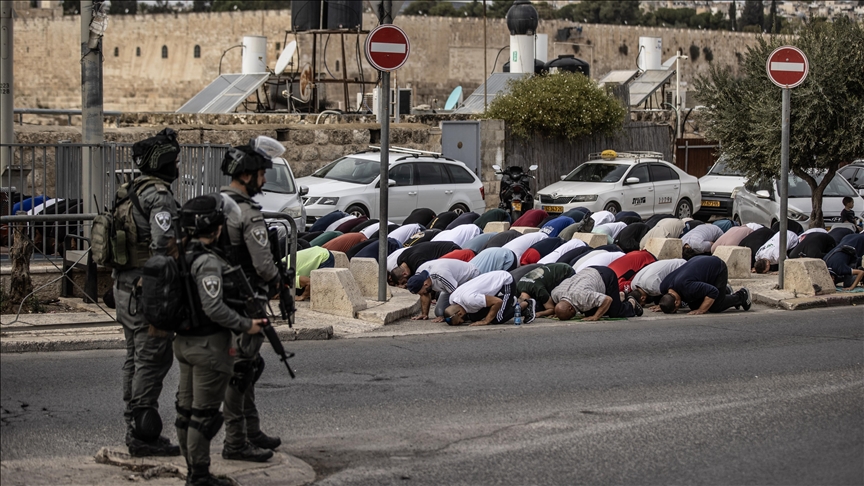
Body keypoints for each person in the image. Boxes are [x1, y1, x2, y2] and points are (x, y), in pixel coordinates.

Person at [174, 194, 268, 485]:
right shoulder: (207, 261)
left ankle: (193, 469)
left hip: (184, 343)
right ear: (214, 227)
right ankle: (199, 475)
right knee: (203, 416)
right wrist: (246, 325)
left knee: (185, 412)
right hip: (209, 347)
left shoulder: (178, 253)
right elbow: (213, 307)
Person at [114, 128, 182, 457]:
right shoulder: (159, 196)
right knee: (153, 357)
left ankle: (133, 420)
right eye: (175, 160)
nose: (178, 166)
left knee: (134, 357)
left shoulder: (127, 191)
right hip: (147, 289)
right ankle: (143, 431)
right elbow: (163, 245)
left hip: (124, 286)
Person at [219, 139, 284, 461]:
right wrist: (278, 281)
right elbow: (262, 264)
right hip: (244, 300)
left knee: (245, 367)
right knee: (241, 370)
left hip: (221, 298)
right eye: (260, 173)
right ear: (247, 175)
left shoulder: (216, 203)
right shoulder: (246, 212)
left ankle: (251, 430)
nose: (263, 180)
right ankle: (235, 441)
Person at [657, 255, 751, 314]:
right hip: (700, 263)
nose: (678, 309)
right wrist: (664, 305)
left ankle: (742, 296)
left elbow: (712, 292)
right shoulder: (664, 287)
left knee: (715, 306)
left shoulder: (687, 287)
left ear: (676, 302)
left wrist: (701, 310)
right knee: (693, 305)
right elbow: (667, 299)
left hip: (717, 267)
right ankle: (725, 290)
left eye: (675, 309)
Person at [443, 270, 536, 326]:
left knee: (497, 319)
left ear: (459, 313)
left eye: (460, 322)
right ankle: (509, 302)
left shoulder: (470, 300)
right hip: (491, 286)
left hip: (505, 282)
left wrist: (486, 321)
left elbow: (497, 302)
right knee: (474, 317)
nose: (462, 322)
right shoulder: (453, 299)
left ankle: (525, 304)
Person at [551, 266, 642, 321]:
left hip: (606, 276)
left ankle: (631, 304)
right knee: (588, 310)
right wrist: (558, 312)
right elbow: (557, 303)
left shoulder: (583, 296)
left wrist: (595, 317)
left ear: (571, 308)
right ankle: (619, 296)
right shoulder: (556, 293)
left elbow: (607, 299)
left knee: (614, 312)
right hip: (589, 271)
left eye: (570, 316)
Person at [407, 259, 480, 321]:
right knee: (440, 313)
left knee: (464, 315)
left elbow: (456, 295)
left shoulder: (441, 275)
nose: (422, 294)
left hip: (469, 278)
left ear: (426, 284)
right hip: (451, 285)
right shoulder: (419, 274)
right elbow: (424, 294)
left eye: (422, 292)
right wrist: (424, 314)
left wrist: (448, 316)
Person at [390, 241, 461, 286]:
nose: (406, 283)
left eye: (404, 281)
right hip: (446, 246)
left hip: (451, 251)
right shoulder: (400, 260)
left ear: (404, 274)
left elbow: (428, 281)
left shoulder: (418, 263)